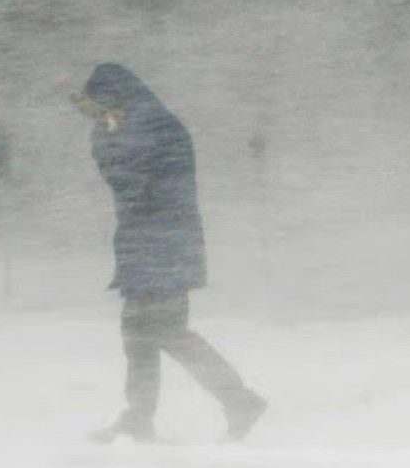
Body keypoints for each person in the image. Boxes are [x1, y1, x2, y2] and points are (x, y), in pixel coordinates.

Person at [74, 64, 266, 443]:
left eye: (100, 104)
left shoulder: (149, 125)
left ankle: (238, 400)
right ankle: (140, 417)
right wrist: (107, 131)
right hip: (154, 245)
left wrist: (105, 138)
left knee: (164, 331)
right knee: (139, 334)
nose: (98, 112)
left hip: (161, 246)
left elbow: (131, 183)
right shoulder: (146, 121)